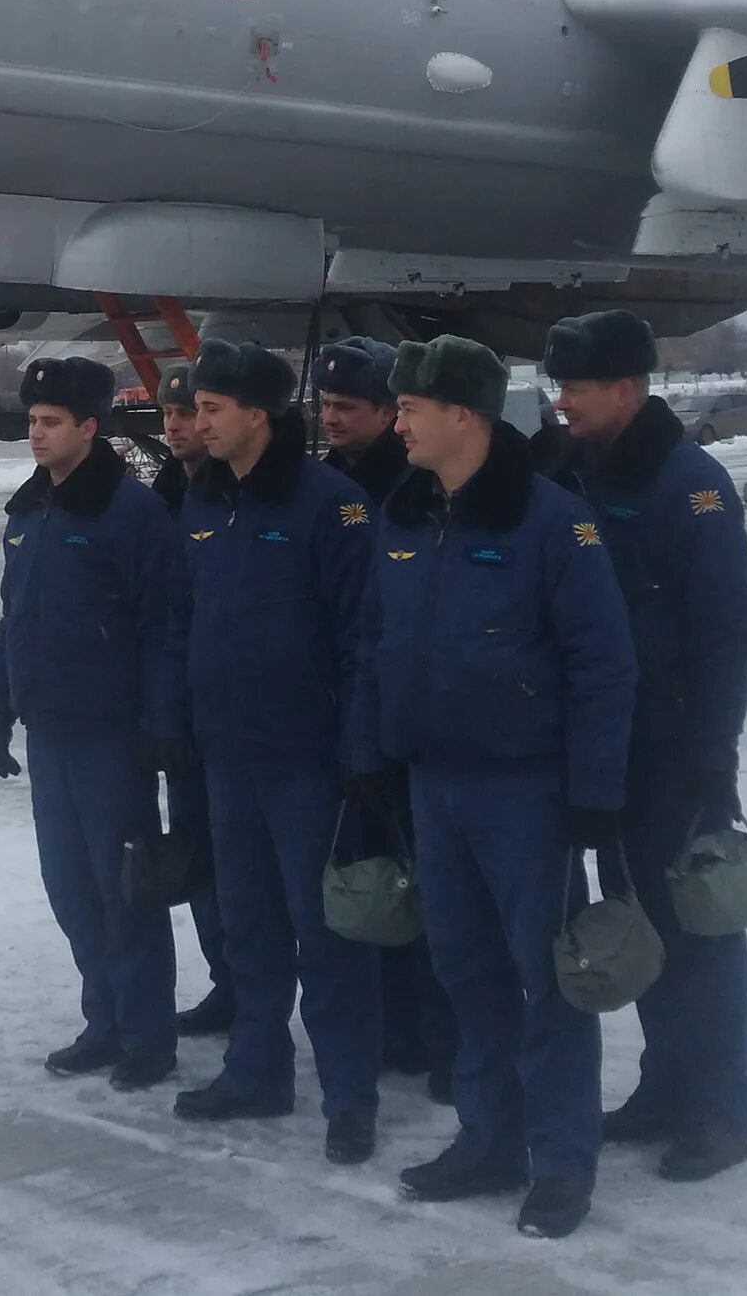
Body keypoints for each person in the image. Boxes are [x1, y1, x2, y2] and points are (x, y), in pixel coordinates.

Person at [355, 334, 636, 1241]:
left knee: (549, 982)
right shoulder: (402, 518)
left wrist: (594, 792)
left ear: (463, 415)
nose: (397, 422)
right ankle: (488, 1141)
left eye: (410, 408)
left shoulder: (553, 521)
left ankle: (560, 1165)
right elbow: (372, 648)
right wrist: (371, 755)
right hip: (433, 784)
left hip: (527, 792)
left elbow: (604, 663)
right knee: (465, 975)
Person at [544, 309, 747, 1183]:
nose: (562, 403)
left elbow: (726, 632)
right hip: (607, 743)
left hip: (675, 747)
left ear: (628, 389)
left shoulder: (689, 484)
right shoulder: (578, 467)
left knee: (699, 930)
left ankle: (719, 1110)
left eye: (579, 389)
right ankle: (664, 1087)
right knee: (638, 923)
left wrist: (717, 755)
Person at [172, 338, 383, 1166]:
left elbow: (363, 638)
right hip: (227, 756)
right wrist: (176, 722)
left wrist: (359, 755)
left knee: (327, 936)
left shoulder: (329, 506)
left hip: (307, 762)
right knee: (249, 928)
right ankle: (256, 1071)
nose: (198, 422)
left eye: (213, 409)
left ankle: (351, 1098)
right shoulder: (202, 502)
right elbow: (180, 622)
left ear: (257, 417)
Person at [0, 356, 190, 1089]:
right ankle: (103, 1020)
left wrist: (158, 723)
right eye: (31, 422)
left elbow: (163, 624)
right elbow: (16, 618)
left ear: (89, 428)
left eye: (50, 423)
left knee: (124, 887)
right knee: (70, 887)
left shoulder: (129, 514)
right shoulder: (28, 512)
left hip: (110, 735)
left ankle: (147, 1035)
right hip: (50, 731)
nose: (35, 435)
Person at [314, 335, 453, 1097]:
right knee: (377, 880)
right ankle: (397, 1023)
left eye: (349, 407)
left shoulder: (416, 486)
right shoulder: (324, 485)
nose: (331, 418)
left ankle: (442, 1034)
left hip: (410, 717)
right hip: (353, 715)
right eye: (325, 405)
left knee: (425, 885)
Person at [150, 359, 234, 1038]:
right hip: (185, 711)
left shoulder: (228, 495)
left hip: (234, 714)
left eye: (190, 414)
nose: (178, 427)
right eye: (171, 416)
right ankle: (225, 982)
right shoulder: (164, 494)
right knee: (197, 857)